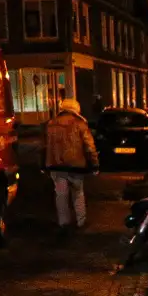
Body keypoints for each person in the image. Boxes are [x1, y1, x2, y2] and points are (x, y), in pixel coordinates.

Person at [44, 98, 98, 236]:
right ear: (76, 109)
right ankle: (81, 221)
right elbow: (89, 146)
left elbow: (44, 146)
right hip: (76, 166)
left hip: (56, 166)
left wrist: (43, 164)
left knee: (61, 195)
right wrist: (94, 164)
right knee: (78, 193)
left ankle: (64, 222)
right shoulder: (80, 123)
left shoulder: (51, 124)